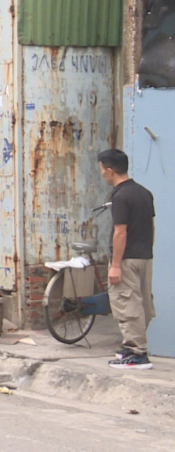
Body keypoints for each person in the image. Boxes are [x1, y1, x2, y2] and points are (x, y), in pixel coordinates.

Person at [98, 148, 156, 370]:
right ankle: (130, 347)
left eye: (102, 169)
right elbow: (151, 226)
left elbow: (120, 232)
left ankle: (137, 353)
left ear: (110, 170)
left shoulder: (120, 196)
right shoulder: (144, 193)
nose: (102, 174)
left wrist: (115, 265)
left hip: (126, 258)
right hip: (144, 257)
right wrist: (146, 251)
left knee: (127, 304)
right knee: (143, 304)